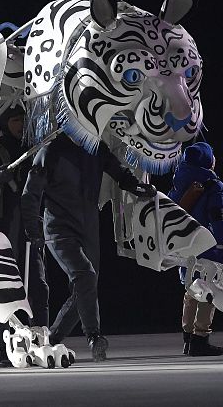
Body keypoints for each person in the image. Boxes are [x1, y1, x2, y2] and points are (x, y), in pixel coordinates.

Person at [20, 131, 155, 362]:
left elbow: (118, 171)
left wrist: (136, 186)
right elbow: (30, 194)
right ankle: (94, 336)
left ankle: (52, 339)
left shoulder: (96, 147)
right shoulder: (50, 151)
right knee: (85, 277)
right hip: (59, 229)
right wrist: (33, 229)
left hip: (88, 227)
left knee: (85, 286)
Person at [0, 104, 47, 368]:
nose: (20, 124)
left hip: (29, 227)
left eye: (23, 119)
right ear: (5, 123)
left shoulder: (34, 151)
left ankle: (39, 340)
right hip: (3, 229)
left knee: (38, 288)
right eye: (15, 120)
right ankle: (0, 346)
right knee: (5, 290)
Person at [167, 142, 223, 356]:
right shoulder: (213, 184)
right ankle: (200, 338)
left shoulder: (179, 182)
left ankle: (188, 339)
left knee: (191, 289)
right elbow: (217, 217)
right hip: (208, 244)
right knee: (209, 290)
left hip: (185, 246)